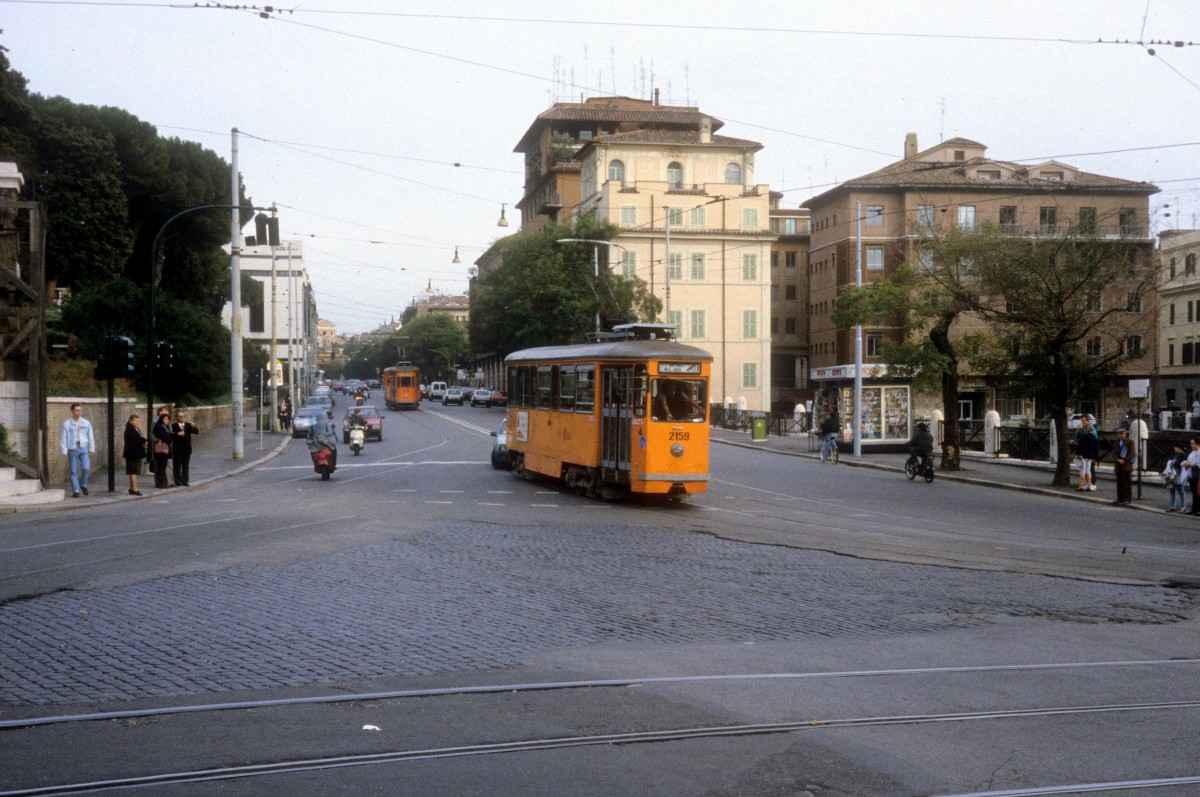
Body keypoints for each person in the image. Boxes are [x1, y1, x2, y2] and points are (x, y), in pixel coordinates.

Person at [60, 402, 96, 498]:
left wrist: (91, 449)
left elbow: (90, 436)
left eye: (80, 410)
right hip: (72, 448)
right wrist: (64, 451)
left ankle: (83, 485)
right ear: (72, 411)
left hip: (83, 447)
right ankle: (76, 490)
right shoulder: (67, 424)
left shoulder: (86, 423)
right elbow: (63, 438)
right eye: (77, 410)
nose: (79, 412)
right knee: (73, 470)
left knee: (86, 468)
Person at [171, 409, 200, 487]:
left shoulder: (188, 425)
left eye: (183, 416)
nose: (181, 417)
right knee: (177, 466)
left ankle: (185, 481)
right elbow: (170, 436)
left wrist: (194, 426)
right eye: (179, 416)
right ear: (176, 417)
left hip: (186, 449)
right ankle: (177, 481)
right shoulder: (173, 426)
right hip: (177, 449)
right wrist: (177, 434)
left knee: (185, 466)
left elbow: (196, 432)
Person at [122, 413, 147, 496]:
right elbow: (136, 440)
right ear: (130, 421)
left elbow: (139, 438)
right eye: (136, 421)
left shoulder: (135, 429)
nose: (137, 422)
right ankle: (135, 488)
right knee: (133, 471)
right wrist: (144, 440)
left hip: (135, 453)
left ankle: (131, 488)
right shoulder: (130, 430)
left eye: (138, 421)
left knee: (133, 471)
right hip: (132, 453)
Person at [1073, 418, 1100, 492]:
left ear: (1085, 429)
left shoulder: (1083, 437)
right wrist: (1095, 457)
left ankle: (1081, 486)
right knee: (1088, 471)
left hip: (1083, 456)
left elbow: (1080, 447)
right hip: (1090, 456)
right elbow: (1096, 449)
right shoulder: (1095, 438)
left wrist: (1077, 454)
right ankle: (1089, 486)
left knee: (1082, 471)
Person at [151, 406, 174, 488]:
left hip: (166, 448)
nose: (167, 420)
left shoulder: (165, 426)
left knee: (164, 465)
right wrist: (170, 436)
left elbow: (168, 437)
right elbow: (167, 438)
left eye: (168, 419)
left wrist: (170, 436)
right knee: (160, 466)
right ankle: (161, 483)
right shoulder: (158, 426)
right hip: (161, 448)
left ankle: (165, 482)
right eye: (165, 419)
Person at [1112, 428, 1135, 506]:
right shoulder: (1116, 443)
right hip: (1118, 465)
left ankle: (1127, 499)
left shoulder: (1130, 442)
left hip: (1126, 465)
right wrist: (1117, 460)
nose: (1122, 435)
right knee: (1119, 483)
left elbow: (1131, 453)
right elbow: (1114, 453)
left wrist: (1124, 460)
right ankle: (1120, 498)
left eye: (1124, 434)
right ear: (1118, 435)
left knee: (1126, 483)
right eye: (1121, 434)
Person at [1165, 443, 1188, 513]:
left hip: (1179, 474)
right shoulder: (1174, 454)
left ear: (1179, 448)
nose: (1174, 448)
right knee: (1172, 490)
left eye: (1175, 447)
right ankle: (1172, 506)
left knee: (1181, 490)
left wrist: (1173, 462)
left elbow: (1179, 464)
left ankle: (1183, 506)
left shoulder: (1183, 455)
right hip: (1172, 474)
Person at [1187, 438, 1200, 515]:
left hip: (1197, 474)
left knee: (1198, 492)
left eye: (1192, 443)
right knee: (1194, 492)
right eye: (1191, 443)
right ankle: (1194, 509)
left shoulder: (1199, 452)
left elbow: (1197, 463)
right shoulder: (1193, 452)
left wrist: (1189, 464)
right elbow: (1190, 460)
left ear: (1197, 444)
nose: (1191, 445)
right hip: (1192, 474)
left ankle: (1198, 509)